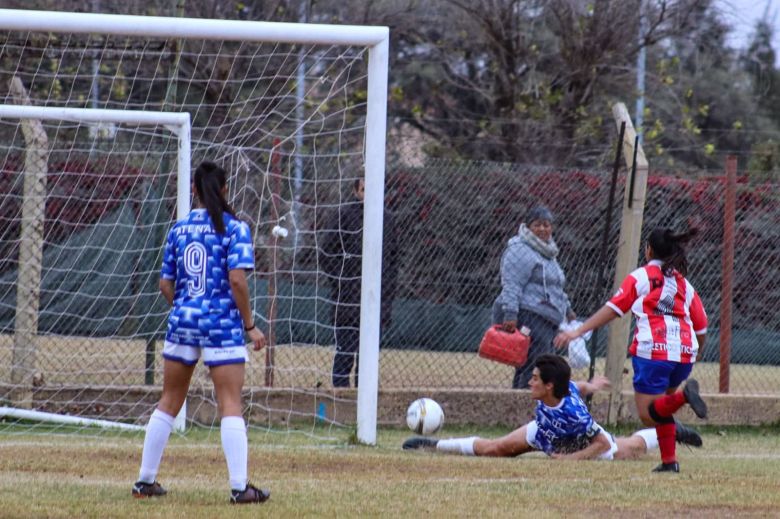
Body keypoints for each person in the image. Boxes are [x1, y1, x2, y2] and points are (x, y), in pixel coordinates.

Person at [132, 161, 270, 504]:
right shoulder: (235, 228)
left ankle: (144, 481)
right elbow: (237, 280)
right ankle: (240, 488)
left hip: (183, 321)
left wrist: (185, 307)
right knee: (230, 403)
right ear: (224, 190)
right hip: (220, 325)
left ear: (194, 189)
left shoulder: (179, 229)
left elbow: (165, 283)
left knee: (169, 400)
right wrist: (250, 326)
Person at [554, 227, 708, 473]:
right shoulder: (684, 284)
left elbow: (614, 308)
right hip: (684, 353)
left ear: (648, 250)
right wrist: (696, 353)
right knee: (662, 408)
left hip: (653, 352)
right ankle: (669, 463)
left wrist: (577, 331)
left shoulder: (641, 277)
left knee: (649, 416)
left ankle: (685, 397)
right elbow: (701, 326)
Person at [403, 354, 702, 461]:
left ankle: (670, 431)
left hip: (575, 445)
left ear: (549, 386)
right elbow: (576, 386)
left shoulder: (573, 414)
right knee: (494, 449)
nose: (529, 382)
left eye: (534, 379)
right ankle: (433, 443)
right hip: (545, 432)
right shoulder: (561, 388)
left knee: (630, 447)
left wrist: (571, 460)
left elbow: (598, 443)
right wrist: (592, 385)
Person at [320, 178, 398, 388]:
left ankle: (365, 400)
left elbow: (393, 260)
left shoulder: (388, 219)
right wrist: (343, 280)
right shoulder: (344, 215)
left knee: (369, 357)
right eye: (364, 189)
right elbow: (326, 254)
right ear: (356, 191)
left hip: (376, 300)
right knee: (345, 351)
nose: (369, 194)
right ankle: (341, 398)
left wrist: (386, 293)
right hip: (347, 299)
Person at [492, 205, 575, 389]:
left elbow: (556, 285)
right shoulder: (520, 249)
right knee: (536, 364)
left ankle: (520, 401)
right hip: (529, 315)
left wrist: (567, 309)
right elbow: (511, 284)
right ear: (528, 227)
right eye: (538, 224)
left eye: (547, 224)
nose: (543, 229)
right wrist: (510, 314)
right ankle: (525, 401)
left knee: (534, 363)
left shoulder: (548, 252)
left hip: (546, 318)